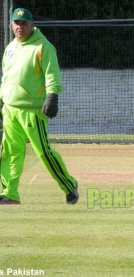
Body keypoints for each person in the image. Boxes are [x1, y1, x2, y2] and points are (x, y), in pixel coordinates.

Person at [0, 8, 79, 205]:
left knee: (43, 152)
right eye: (16, 23)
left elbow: (52, 74)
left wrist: (52, 96)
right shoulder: (10, 47)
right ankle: (10, 192)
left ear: (32, 24)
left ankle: (69, 186)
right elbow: (6, 76)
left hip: (33, 110)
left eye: (24, 23)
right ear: (11, 25)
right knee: (9, 151)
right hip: (10, 109)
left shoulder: (43, 46)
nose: (20, 26)